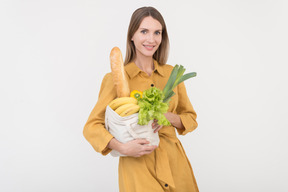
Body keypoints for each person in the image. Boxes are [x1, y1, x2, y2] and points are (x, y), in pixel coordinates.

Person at [83, 6, 199, 192]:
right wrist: (122, 147)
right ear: (132, 35)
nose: (151, 39)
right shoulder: (116, 79)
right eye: (144, 31)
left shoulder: (172, 75)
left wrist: (168, 117)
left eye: (157, 33)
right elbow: (92, 127)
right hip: (137, 166)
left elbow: (191, 119)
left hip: (174, 164)